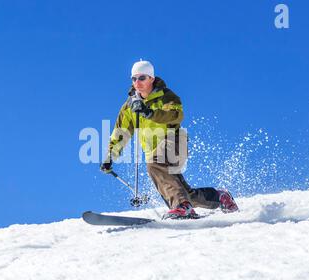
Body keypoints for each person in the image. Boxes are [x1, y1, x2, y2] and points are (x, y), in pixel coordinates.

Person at [100, 60, 238, 219]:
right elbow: (121, 133)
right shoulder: (129, 106)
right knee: (185, 193)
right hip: (153, 151)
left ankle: (181, 207)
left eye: (142, 78)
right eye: (134, 78)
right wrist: (111, 156)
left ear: (151, 78)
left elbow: (175, 115)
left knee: (155, 163)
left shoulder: (166, 96)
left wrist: (149, 113)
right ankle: (218, 197)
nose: (137, 82)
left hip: (175, 140)